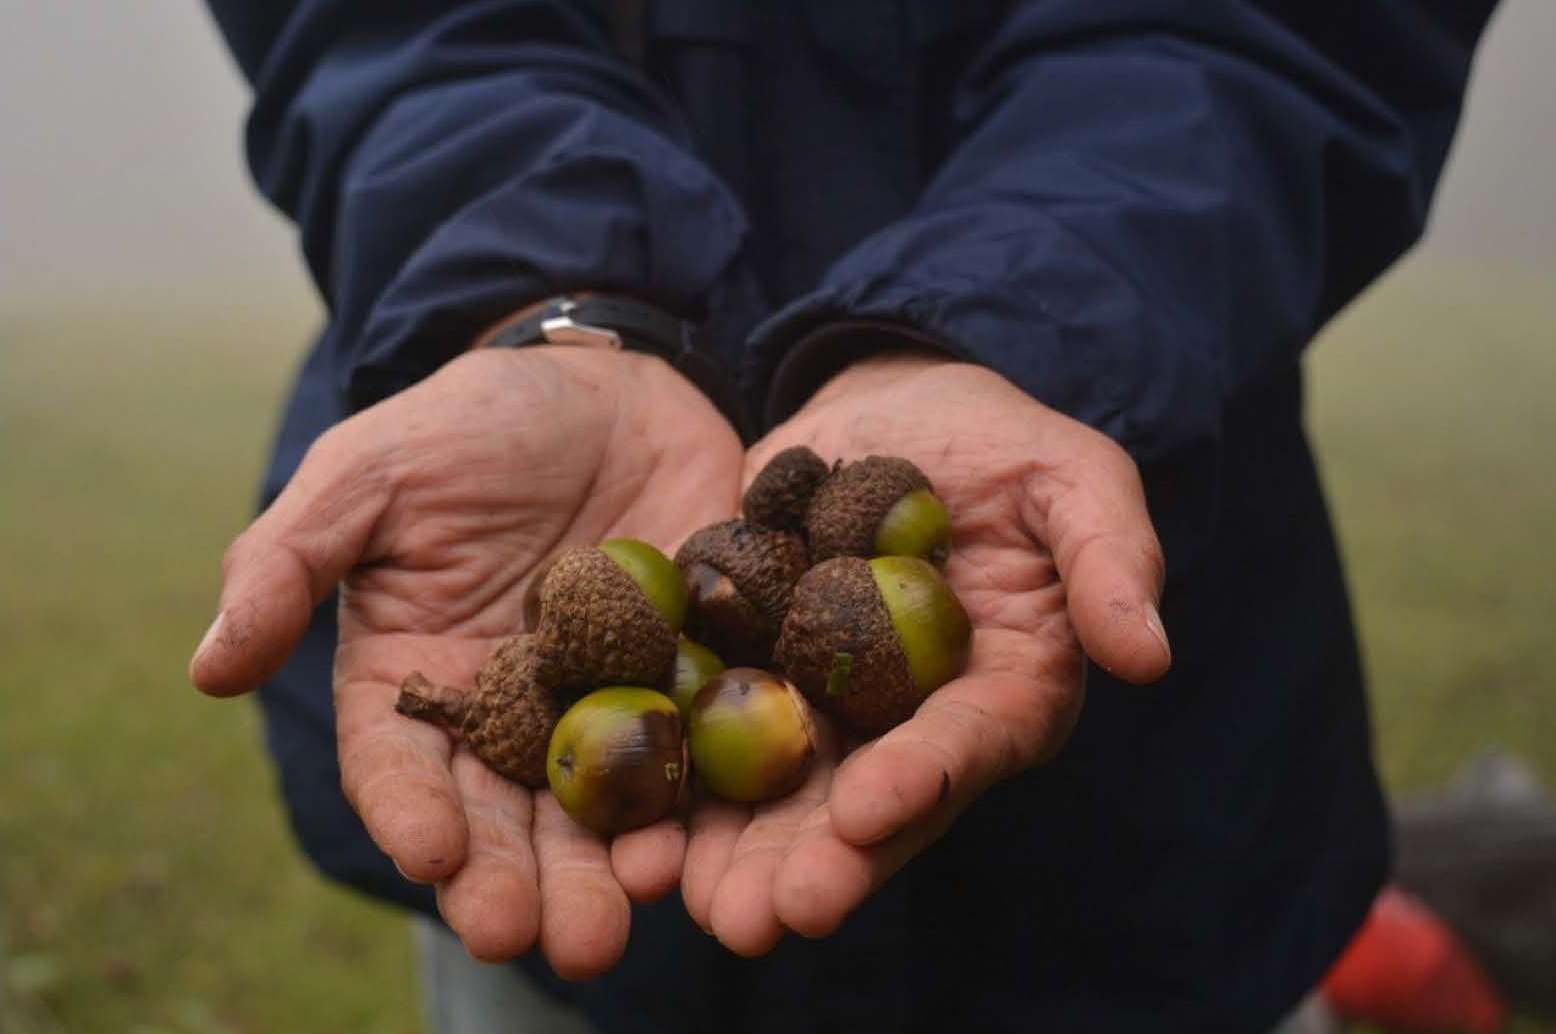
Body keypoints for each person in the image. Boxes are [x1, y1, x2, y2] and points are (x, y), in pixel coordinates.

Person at [190, 2, 1502, 1031]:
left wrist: (1009, 320)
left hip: (1153, 851)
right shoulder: (667, 653)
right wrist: (544, 281)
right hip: (586, 969)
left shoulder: (810, 586)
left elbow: (1271, 32)